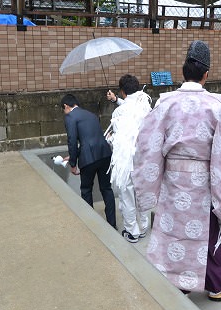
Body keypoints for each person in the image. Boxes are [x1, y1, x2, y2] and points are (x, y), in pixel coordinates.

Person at [132, 40, 221, 301]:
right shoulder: (218, 108)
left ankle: (177, 283)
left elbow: (147, 147)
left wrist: (151, 186)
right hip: (204, 185)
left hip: (173, 183)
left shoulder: (165, 104)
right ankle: (215, 286)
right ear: (206, 74)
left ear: (183, 72)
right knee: (207, 236)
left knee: (173, 234)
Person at [105, 74, 153, 243]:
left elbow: (119, 139)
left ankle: (132, 231)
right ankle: (144, 226)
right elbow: (132, 109)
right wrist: (116, 99)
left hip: (127, 161)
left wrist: (110, 138)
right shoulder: (145, 105)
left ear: (123, 92)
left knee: (127, 195)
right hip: (144, 158)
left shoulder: (120, 112)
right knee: (141, 192)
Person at [60, 93, 116, 229]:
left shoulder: (70, 117)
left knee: (86, 190)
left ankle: (92, 226)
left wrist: (73, 163)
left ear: (66, 106)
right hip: (105, 154)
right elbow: (91, 139)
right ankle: (112, 225)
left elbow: (72, 141)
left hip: (88, 159)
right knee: (107, 189)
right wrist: (72, 156)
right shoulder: (91, 115)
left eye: (63, 109)